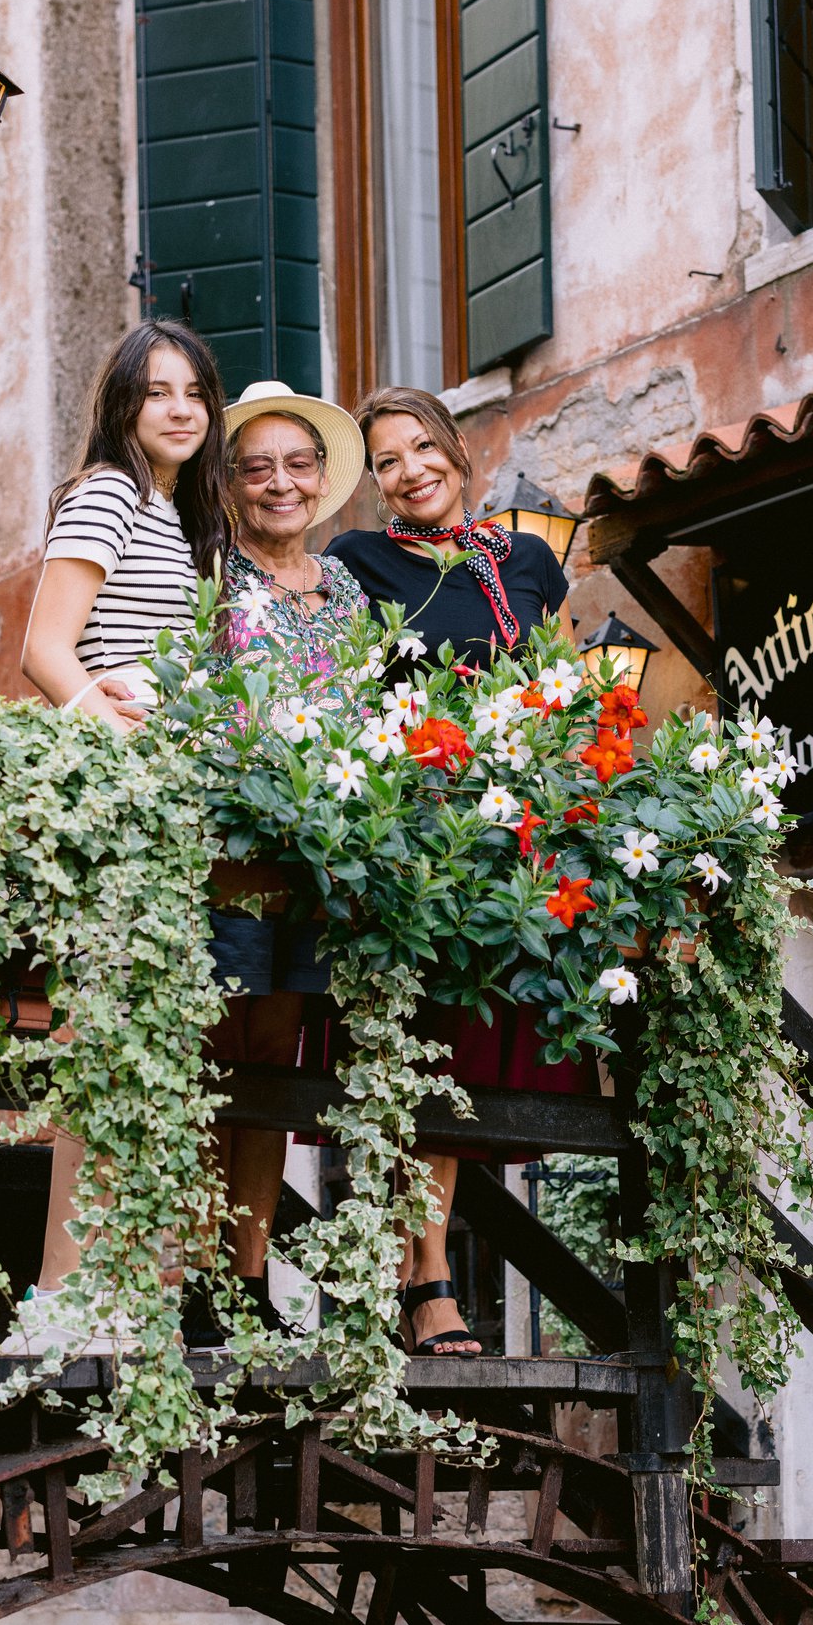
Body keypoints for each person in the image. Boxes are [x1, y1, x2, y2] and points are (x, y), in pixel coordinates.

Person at [328, 387, 579, 1359]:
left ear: (456, 451)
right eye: (387, 461)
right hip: (421, 846)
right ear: (375, 482)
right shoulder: (359, 563)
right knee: (427, 1057)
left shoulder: (526, 559)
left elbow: (556, 687)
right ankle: (425, 1281)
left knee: (486, 1056)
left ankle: (428, 1275)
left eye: (422, 447)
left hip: (515, 847)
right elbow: (349, 693)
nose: (410, 470)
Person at [4, 320, 230, 1359]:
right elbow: (44, 651)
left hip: (163, 783)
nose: (179, 408)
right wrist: (117, 730)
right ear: (123, 407)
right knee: (105, 1039)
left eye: (194, 392)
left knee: (143, 1035)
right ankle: (65, 1296)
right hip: (119, 785)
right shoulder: (107, 493)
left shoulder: (175, 515)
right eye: (157, 392)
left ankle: (118, 1289)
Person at [201, 380, 368, 1334]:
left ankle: (248, 1275)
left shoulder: (343, 583)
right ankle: (196, 1273)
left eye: (297, 465)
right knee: (218, 1050)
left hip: (317, 855)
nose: (279, 484)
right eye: (257, 467)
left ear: (320, 478)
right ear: (229, 483)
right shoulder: (211, 573)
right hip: (232, 849)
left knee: (277, 1051)